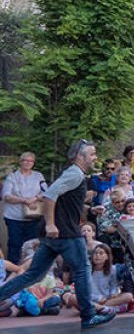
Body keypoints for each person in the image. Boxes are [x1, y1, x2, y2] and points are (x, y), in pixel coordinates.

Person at [0, 140, 115, 328]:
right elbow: (50, 195)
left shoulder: (73, 174)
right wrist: (51, 224)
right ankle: (88, 316)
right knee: (82, 270)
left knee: (33, 275)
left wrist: (89, 209)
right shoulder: (74, 174)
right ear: (80, 156)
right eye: (92, 154)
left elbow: (64, 201)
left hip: (54, 236)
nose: (95, 157)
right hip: (66, 234)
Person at [2, 152, 45, 265]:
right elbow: (6, 195)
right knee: (15, 245)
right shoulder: (12, 176)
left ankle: (29, 272)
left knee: (32, 245)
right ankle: (13, 272)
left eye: (30, 161)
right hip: (14, 217)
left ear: (33, 163)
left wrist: (35, 198)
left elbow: (46, 192)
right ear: (20, 162)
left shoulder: (38, 176)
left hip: (34, 217)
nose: (27, 163)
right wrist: (25, 201)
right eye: (25, 160)